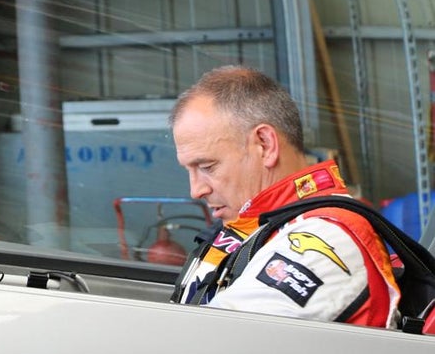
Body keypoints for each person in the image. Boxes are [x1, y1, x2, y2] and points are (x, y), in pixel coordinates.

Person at [169, 65, 400, 327]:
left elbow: (217, 345)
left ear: (265, 145)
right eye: (189, 170)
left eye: (207, 167)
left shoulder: (324, 236)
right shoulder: (257, 225)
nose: (196, 190)